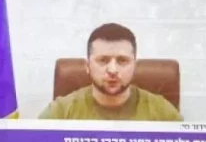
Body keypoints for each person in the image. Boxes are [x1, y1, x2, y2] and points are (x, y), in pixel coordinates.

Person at [37, 23, 181, 122]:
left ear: (135, 66)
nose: (113, 70)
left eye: (122, 60)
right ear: (87, 66)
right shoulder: (62, 110)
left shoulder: (161, 110)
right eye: (103, 60)